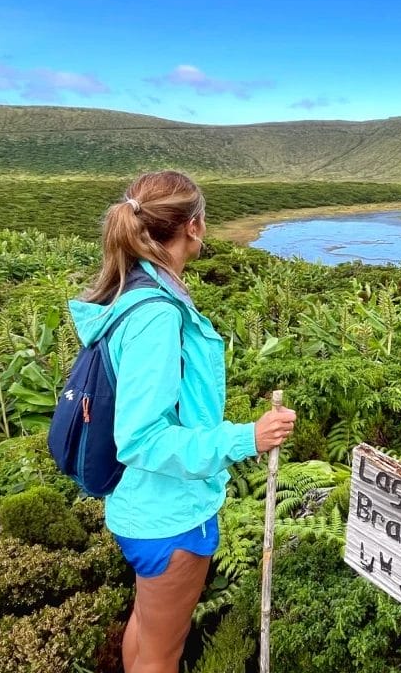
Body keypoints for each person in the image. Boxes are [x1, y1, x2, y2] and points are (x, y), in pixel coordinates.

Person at [68, 170, 296, 673]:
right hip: (168, 515)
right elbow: (142, 438)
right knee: (162, 655)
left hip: (142, 508)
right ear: (193, 226)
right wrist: (248, 437)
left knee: (148, 632)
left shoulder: (136, 293)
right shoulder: (157, 315)